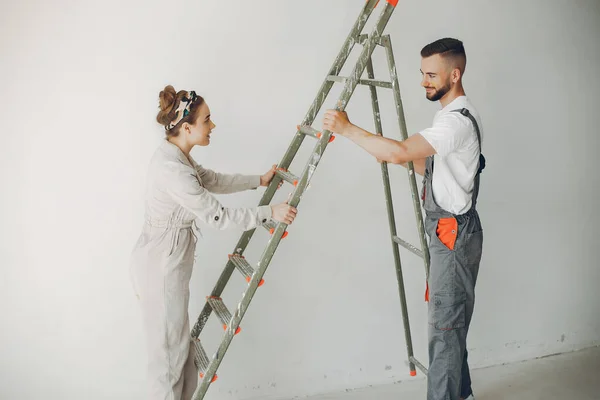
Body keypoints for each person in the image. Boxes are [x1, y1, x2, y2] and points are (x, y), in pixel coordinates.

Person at [322, 38, 484, 400]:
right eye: (422, 74)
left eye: (432, 75)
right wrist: (389, 152)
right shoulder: (449, 117)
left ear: (454, 75)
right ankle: (463, 394)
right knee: (451, 324)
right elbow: (430, 164)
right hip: (452, 233)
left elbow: (402, 153)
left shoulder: (454, 123)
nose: (424, 81)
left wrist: (351, 131)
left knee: (444, 329)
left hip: (453, 236)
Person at [130, 85, 297, 400]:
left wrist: (257, 180)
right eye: (208, 120)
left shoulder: (178, 157)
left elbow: (212, 180)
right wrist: (269, 212)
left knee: (178, 351)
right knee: (166, 359)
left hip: (166, 259)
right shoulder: (172, 170)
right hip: (160, 266)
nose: (213, 126)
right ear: (188, 127)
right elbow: (219, 217)